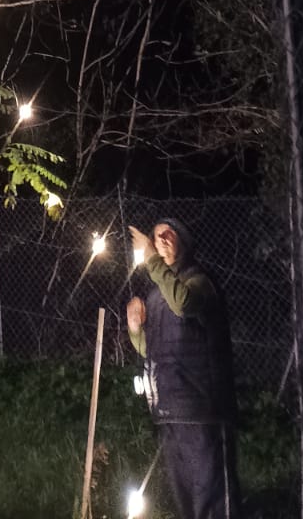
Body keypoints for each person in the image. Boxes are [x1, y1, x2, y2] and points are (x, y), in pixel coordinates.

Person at [127, 218, 242, 519]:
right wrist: (135, 329)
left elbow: (184, 304)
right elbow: (151, 350)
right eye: (156, 236)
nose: (162, 238)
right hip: (169, 411)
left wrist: (151, 261)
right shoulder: (155, 295)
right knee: (187, 503)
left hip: (203, 409)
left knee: (213, 501)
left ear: (184, 241)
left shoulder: (199, 281)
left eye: (169, 233)